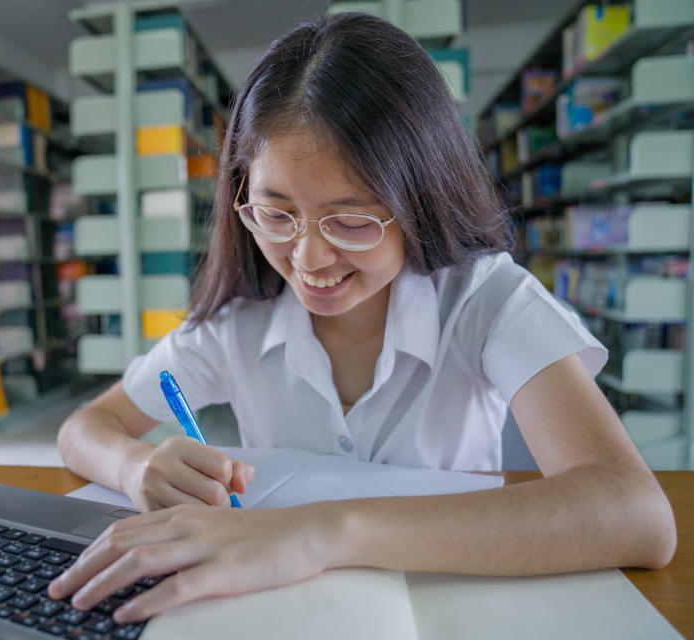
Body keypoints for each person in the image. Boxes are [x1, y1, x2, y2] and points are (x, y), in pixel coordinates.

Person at [49, 12, 676, 624]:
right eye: (275, 213)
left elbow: (635, 512)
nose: (308, 257)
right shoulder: (237, 323)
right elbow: (85, 427)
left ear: (421, 202)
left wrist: (321, 532)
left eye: (351, 221)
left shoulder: (487, 299)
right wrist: (136, 467)